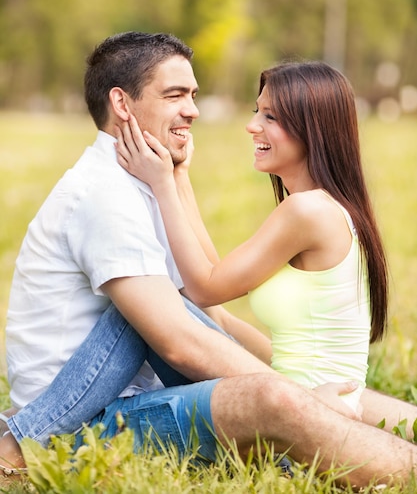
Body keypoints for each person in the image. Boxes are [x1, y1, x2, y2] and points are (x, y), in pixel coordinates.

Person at [1, 32, 417, 490]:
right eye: (175, 94)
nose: (194, 110)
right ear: (122, 104)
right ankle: (24, 440)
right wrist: (300, 395)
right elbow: (180, 338)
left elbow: (203, 308)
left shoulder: (141, 186)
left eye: (193, 95)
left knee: (326, 397)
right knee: (274, 397)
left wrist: (175, 180)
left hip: (143, 395)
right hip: (86, 423)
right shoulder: (104, 196)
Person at [114, 60, 387, 412]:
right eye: (257, 111)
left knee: (137, 310)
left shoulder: (308, 212)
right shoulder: (326, 207)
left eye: (270, 117)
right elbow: (215, 291)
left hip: (303, 423)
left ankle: (38, 429)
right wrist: (180, 178)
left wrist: (162, 183)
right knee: (164, 310)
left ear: (313, 129)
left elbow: (203, 287)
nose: (251, 125)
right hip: (307, 409)